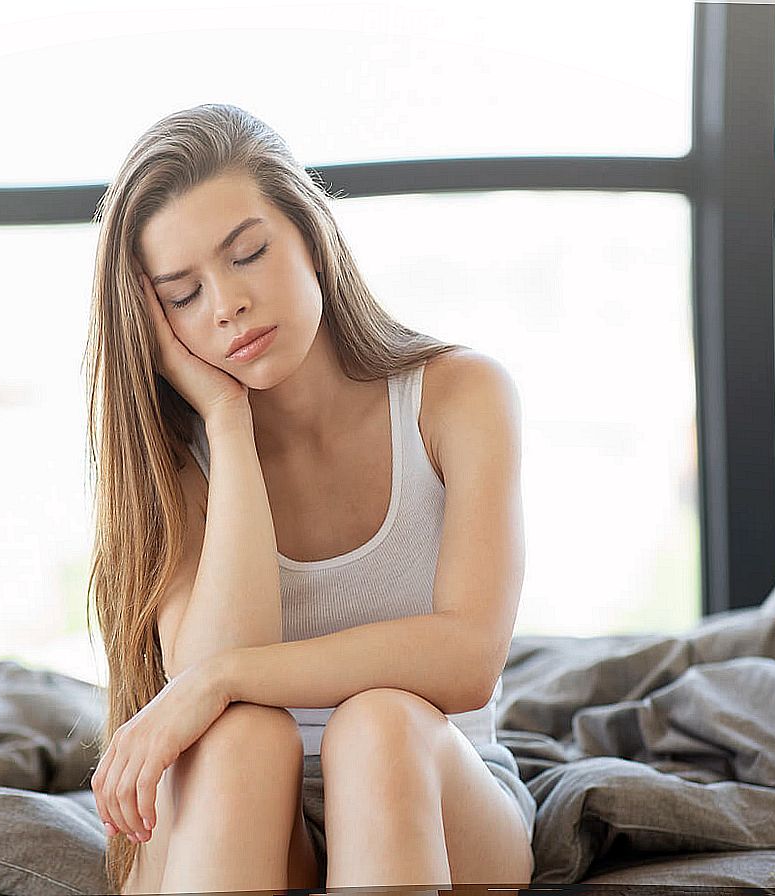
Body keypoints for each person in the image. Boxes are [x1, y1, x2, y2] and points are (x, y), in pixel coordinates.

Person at [82, 103, 535, 894]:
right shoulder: (177, 462)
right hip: (244, 808)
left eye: (248, 254)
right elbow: (214, 682)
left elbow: (467, 660)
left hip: (436, 796)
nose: (227, 304)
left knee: (380, 724)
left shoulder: (460, 396)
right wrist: (227, 427)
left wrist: (224, 680)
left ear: (313, 239)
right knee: (241, 744)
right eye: (183, 295)